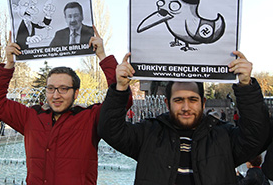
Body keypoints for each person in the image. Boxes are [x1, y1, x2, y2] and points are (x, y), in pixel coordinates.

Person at [98, 51, 269, 184]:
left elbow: (256, 136)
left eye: (192, 100)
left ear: (203, 103)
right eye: (178, 100)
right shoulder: (148, 134)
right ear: (167, 102)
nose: (186, 107)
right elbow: (110, 130)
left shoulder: (224, 137)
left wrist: (246, 86)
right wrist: (120, 88)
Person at [0, 28, 130, 185]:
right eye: (51, 88)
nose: (56, 95)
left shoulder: (90, 118)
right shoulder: (31, 117)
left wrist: (103, 57)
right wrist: (9, 64)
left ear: (76, 93)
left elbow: (120, 102)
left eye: (63, 89)